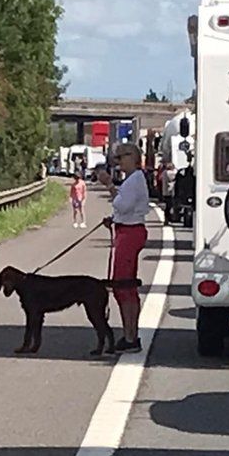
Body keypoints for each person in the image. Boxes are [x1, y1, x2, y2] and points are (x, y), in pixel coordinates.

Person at [96, 143, 150, 353]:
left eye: (120, 158)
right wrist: (115, 219)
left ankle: (131, 336)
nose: (118, 162)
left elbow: (123, 205)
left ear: (131, 157)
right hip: (126, 229)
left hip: (129, 233)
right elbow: (126, 208)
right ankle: (129, 334)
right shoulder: (134, 180)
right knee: (123, 285)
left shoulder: (134, 179)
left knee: (123, 285)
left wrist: (109, 185)